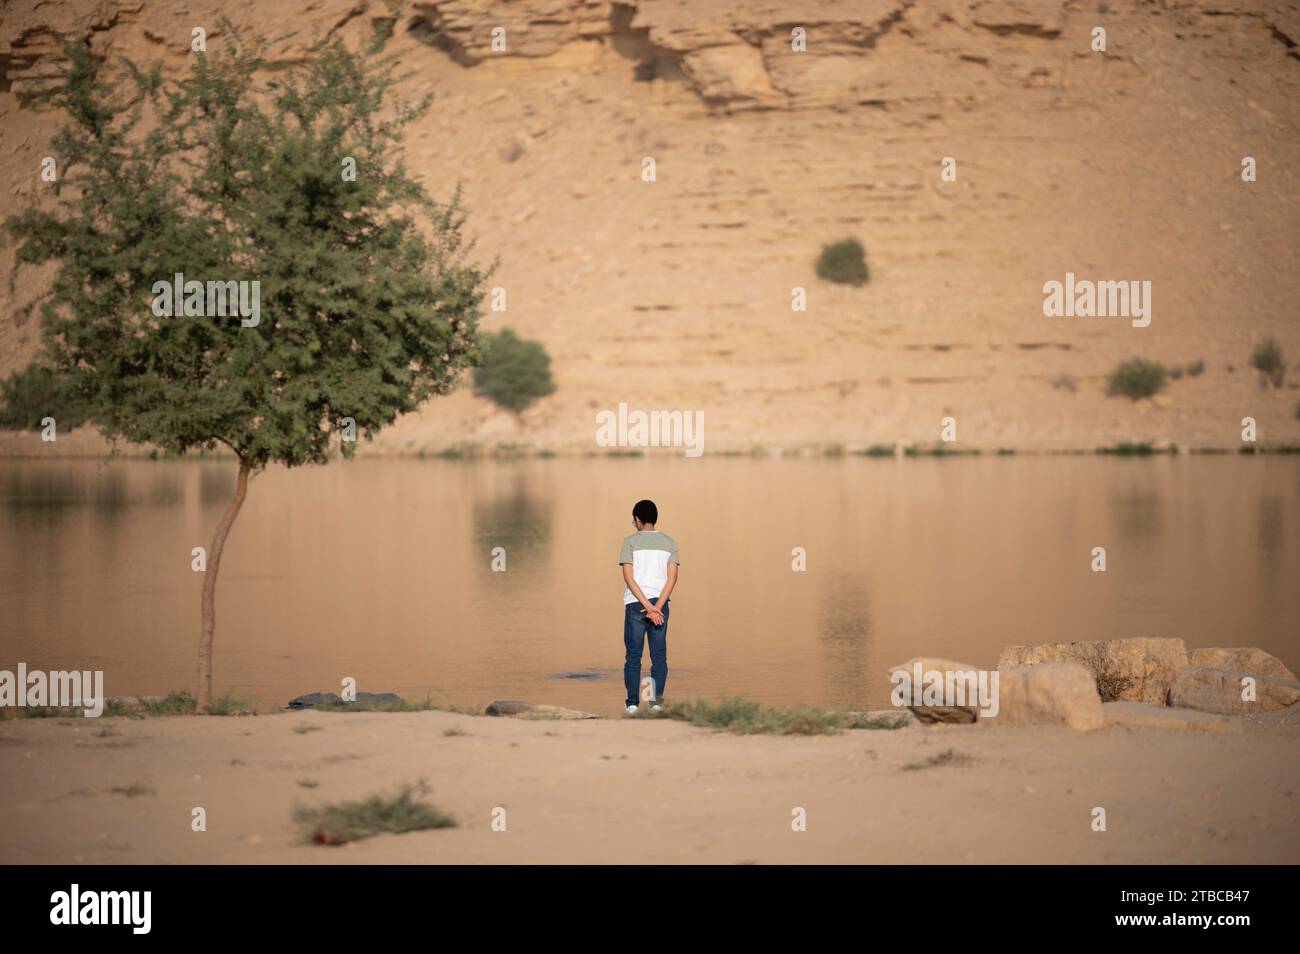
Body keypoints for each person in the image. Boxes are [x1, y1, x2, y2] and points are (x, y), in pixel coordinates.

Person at [618, 499, 679, 714]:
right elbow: (672, 579)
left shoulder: (629, 542)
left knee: (634, 655)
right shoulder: (670, 542)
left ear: (637, 519)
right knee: (659, 656)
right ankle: (655, 705)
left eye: (633, 520)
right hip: (660, 606)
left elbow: (629, 577)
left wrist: (646, 606)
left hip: (636, 605)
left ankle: (633, 704)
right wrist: (657, 608)